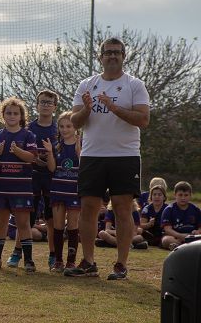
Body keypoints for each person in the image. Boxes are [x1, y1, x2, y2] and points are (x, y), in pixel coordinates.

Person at [63, 36, 150, 280]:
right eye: (108, 52)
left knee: (123, 209)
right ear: (100, 57)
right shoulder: (86, 84)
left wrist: (114, 108)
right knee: (88, 208)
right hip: (93, 155)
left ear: (124, 56)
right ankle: (88, 262)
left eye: (117, 52)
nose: (112, 56)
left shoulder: (135, 85)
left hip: (125, 155)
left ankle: (121, 264)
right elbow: (75, 122)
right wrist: (87, 109)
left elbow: (143, 120)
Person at [0, 97, 38, 271]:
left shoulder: (28, 135)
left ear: (21, 116)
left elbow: (32, 157)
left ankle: (28, 261)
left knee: (23, 223)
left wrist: (18, 151)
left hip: (21, 188)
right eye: (8, 113)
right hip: (1, 187)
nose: (12, 116)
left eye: (16, 113)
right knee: (0, 223)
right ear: (3, 115)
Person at [24, 90, 59, 268]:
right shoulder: (28, 128)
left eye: (49, 102)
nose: (45, 105)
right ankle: (21, 255)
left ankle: (53, 255)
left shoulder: (59, 128)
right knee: (26, 218)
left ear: (55, 107)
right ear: (37, 105)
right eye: (42, 102)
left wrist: (50, 158)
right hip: (32, 177)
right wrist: (34, 158)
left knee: (52, 219)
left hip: (52, 178)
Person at [49, 111, 82, 272]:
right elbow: (52, 168)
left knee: (73, 226)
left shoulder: (81, 144)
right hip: (57, 190)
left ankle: (71, 262)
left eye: (68, 126)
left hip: (74, 192)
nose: (64, 129)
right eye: (61, 126)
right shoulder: (56, 145)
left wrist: (79, 153)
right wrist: (49, 152)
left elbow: (86, 167)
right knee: (58, 226)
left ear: (75, 127)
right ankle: (58, 261)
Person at [160, 182, 201, 250]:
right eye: (180, 195)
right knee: (166, 240)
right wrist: (180, 236)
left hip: (192, 237)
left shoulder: (196, 210)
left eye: (186, 195)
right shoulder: (169, 210)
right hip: (175, 237)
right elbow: (167, 229)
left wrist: (197, 232)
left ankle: (181, 248)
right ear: (175, 195)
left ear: (190, 196)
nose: (183, 198)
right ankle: (182, 247)